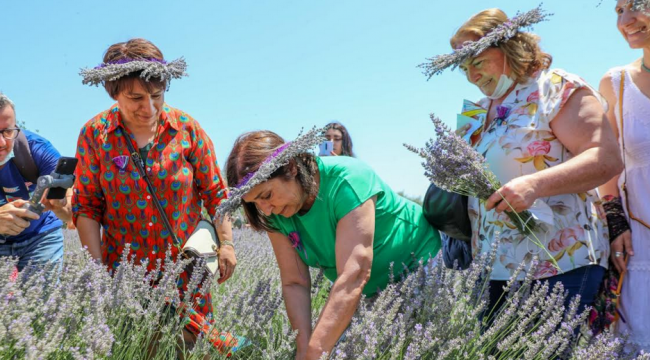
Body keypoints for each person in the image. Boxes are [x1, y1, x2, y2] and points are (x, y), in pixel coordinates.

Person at [421, 6, 623, 317]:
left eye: (478, 62)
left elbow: (605, 157)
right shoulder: (475, 110)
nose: (472, 76)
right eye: (464, 68)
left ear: (510, 48)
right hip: (491, 269)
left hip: (559, 263)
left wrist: (534, 184)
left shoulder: (555, 87)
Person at [73, 38, 239, 352]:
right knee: (138, 347)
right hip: (126, 273)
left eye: (156, 96)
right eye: (135, 98)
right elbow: (87, 206)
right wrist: (96, 276)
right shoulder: (95, 135)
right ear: (113, 92)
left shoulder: (187, 130)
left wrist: (227, 243)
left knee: (194, 348)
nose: (148, 108)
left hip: (186, 270)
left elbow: (216, 194)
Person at [219, 128, 441, 360]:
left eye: (266, 195)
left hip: (423, 269)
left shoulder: (346, 180)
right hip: (371, 292)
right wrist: (304, 348)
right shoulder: (275, 212)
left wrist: (315, 353)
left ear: (291, 168)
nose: (265, 209)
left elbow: (354, 275)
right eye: (254, 202)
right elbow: (295, 282)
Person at [597, 0, 650, 351]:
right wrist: (615, 222)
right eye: (618, 10)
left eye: (637, 5)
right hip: (641, 240)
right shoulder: (615, 83)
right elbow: (606, 163)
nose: (626, 20)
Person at [0, 92, 72, 272]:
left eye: (7, 131)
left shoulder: (37, 149)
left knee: (42, 299)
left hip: (41, 235)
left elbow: (73, 212)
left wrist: (62, 206)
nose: (1, 142)